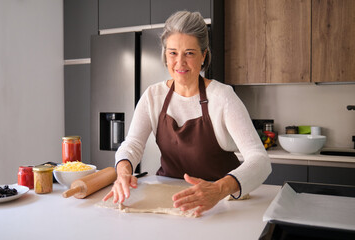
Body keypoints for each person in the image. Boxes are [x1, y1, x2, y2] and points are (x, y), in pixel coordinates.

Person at [103, 11, 271, 217]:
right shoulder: (153, 96)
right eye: (173, 53)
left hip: (220, 205)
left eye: (189, 53)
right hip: (169, 200)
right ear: (165, 55)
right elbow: (132, 145)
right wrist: (123, 172)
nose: (180, 63)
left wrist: (218, 189)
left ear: (204, 55)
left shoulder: (223, 97)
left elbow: (260, 161)